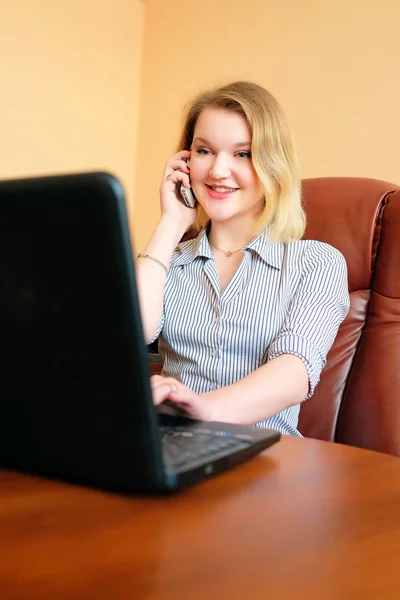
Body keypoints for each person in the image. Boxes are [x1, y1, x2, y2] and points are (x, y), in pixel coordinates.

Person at [136, 81, 349, 436]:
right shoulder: (166, 262)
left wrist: (207, 409)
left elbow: (295, 372)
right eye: (204, 151)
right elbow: (131, 334)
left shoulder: (317, 262)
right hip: (172, 446)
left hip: (268, 460)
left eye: (242, 154)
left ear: (272, 164)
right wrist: (171, 223)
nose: (218, 171)